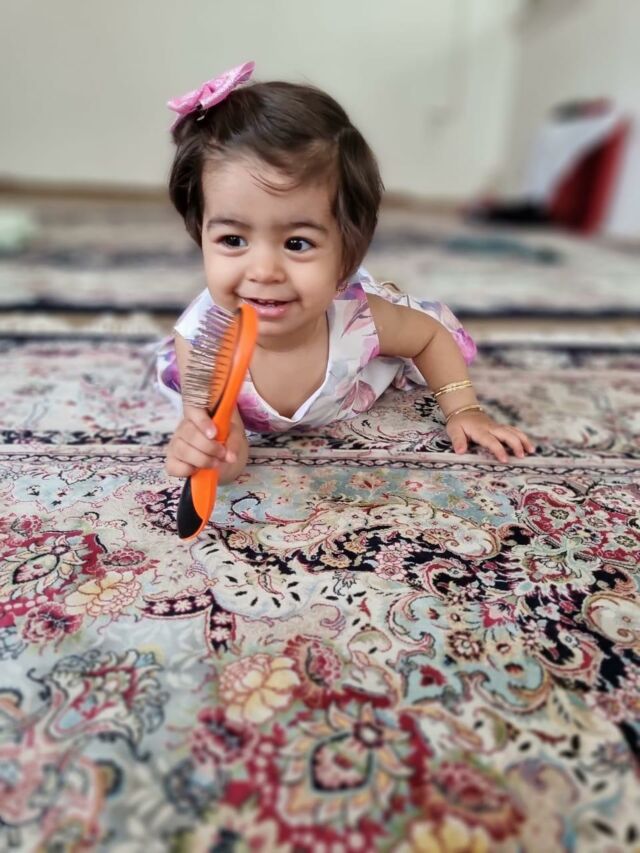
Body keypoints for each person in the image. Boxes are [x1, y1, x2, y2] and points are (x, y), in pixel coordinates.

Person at [158, 61, 534, 484]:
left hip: (351, 337)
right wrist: (212, 457)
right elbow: (227, 442)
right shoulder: (202, 343)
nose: (263, 271)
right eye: (232, 240)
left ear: (348, 253)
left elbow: (430, 336)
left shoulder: (360, 319)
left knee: (413, 326)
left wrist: (463, 409)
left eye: (297, 243)